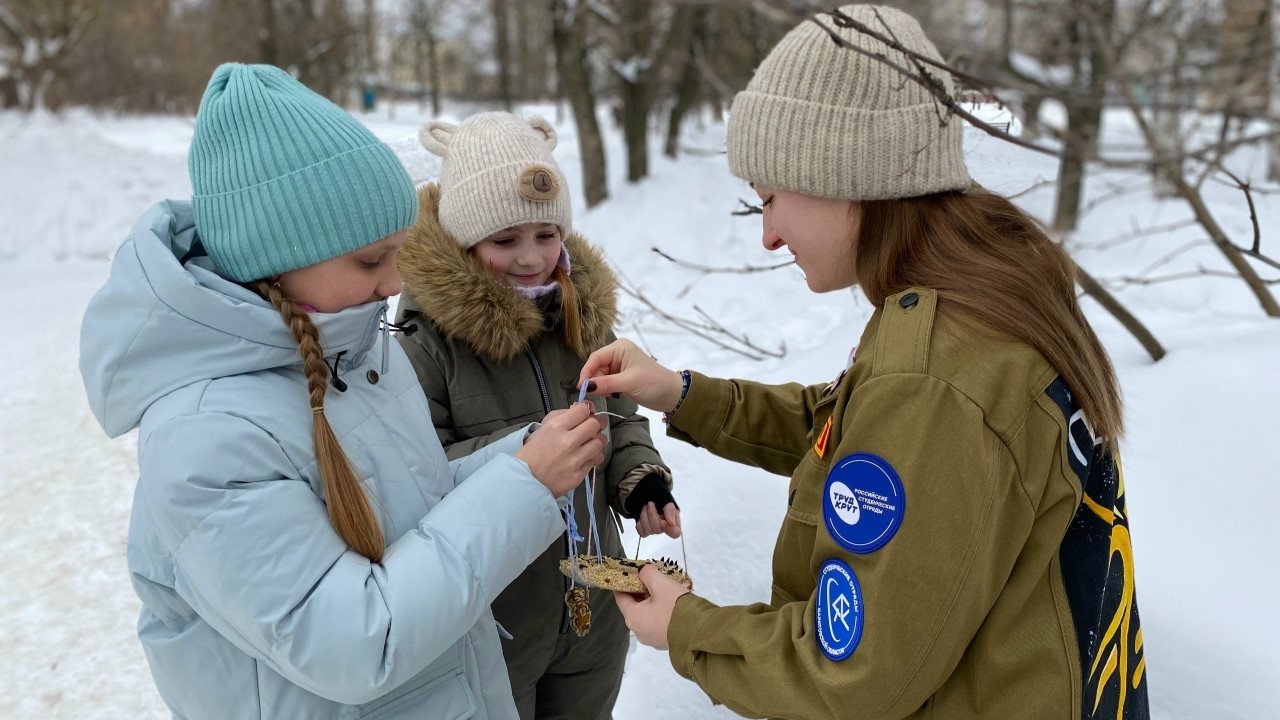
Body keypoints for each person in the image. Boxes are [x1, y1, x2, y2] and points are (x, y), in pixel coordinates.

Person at [579, 6, 1149, 720]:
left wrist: (685, 627)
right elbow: (854, 436)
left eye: (771, 197)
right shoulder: (986, 294)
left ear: (845, 171)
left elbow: (852, 674)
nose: (769, 235)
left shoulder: (939, 375)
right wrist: (680, 393)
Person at [78, 63, 607, 719]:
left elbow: (409, 506)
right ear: (274, 253)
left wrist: (520, 458)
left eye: (399, 251)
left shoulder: (352, 349)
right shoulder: (206, 435)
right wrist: (522, 486)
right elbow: (355, 642)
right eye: (369, 260)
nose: (395, 282)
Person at [394, 111, 680, 720]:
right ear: (467, 241)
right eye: (505, 240)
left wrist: (640, 480)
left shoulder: (579, 314)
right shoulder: (426, 341)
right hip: (495, 612)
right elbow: (417, 473)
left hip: (597, 592)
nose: (532, 258)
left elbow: (620, 414)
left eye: (547, 235)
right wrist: (527, 459)